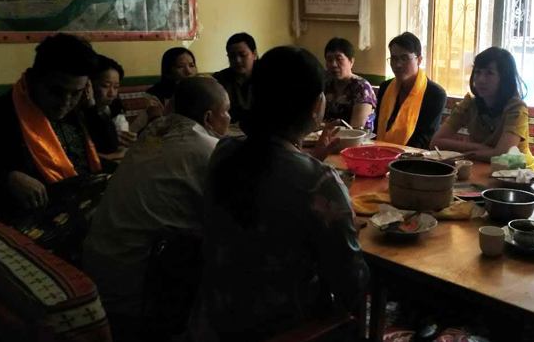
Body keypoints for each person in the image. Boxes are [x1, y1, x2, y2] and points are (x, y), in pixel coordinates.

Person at [190, 46, 369, 340]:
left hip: (214, 318)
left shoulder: (224, 151)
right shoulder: (319, 181)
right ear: (317, 106)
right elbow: (353, 285)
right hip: (285, 329)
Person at [84, 77, 231, 322]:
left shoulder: (153, 133)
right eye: (226, 111)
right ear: (208, 118)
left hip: (96, 275)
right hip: (137, 295)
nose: (229, 117)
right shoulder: (209, 151)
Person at [0, 34, 101, 222]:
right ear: (34, 79)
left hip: (84, 207)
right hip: (32, 222)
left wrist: (92, 107)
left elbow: (108, 145)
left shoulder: (79, 109)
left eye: (76, 93)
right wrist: (6, 178)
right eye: (56, 91)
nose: (65, 103)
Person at [431, 47, 534, 164]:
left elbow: (502, 155)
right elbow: (436, 142)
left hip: (517, 174)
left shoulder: (516, 109)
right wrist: (481, 149)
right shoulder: (469, 104)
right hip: (478, 166)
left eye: (489, 73)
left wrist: (464, 153)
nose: (481, 79)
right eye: (478, 72)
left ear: (504, 79)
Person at [374, 32, 446, 149]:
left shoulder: (435, 94)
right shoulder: (385, 87)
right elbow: (377, 129)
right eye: (394, 58)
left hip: (416, 157)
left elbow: (424, 138)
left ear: (419, 60)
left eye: (404, 58)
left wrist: (395, 156)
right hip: (380, 151)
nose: (398, 65)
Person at [84, 54, 135, 155]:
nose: (112, 93)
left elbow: (120, 141)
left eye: (116, 87)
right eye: (105, 86)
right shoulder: (78, 110)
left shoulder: (114, 106)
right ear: (88, 85)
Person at [323, 37, 376, 131]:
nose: (334, 64)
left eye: (339, 59)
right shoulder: (325, 85)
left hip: (355, 141)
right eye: (329, 60)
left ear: (351, 61)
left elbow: (356, 128)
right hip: (323, 139)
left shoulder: (362, 87)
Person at [213, 32, 257, 122]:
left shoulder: (269, 76)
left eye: (243, 55)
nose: (237, 60)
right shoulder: (220, 80)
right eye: (232, 56)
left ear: (254, 54)